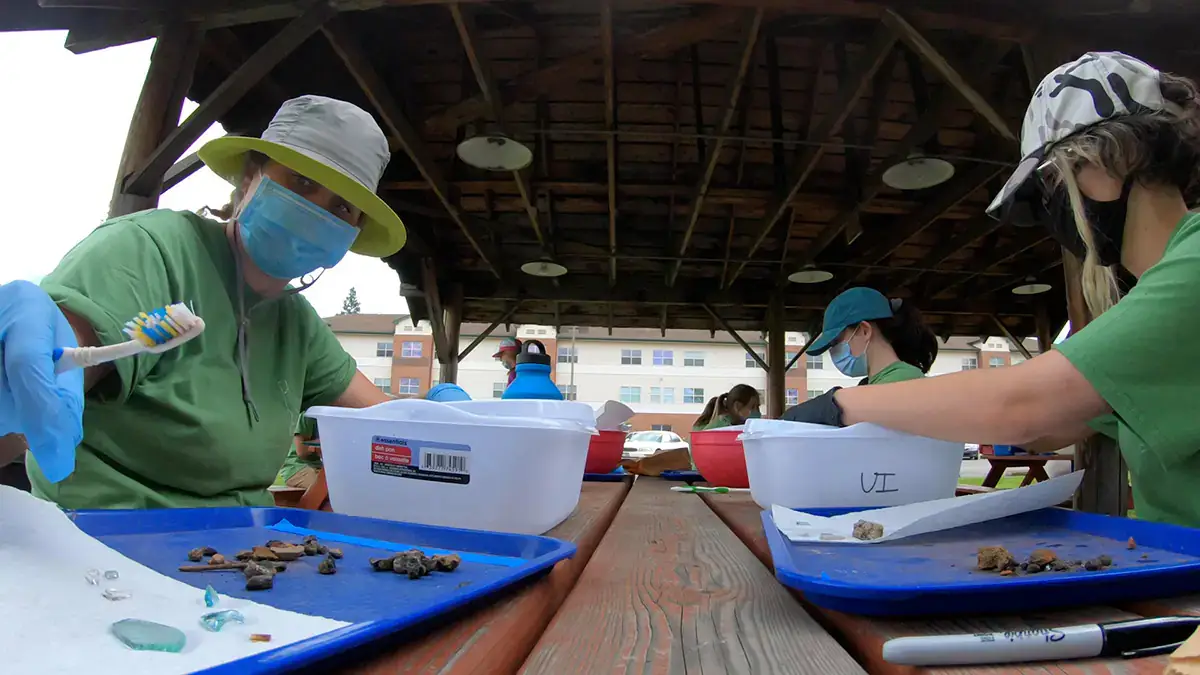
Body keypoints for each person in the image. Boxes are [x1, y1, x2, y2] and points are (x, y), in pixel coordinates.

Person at [817, 52, 1200, 528]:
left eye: (1048, 188)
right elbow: (1052, 429)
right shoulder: (1154, 300)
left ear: (1113, 156)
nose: (1049, 216)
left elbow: (1025, 409)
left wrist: (838, 405)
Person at [2, 94, 409, 509]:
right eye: (302, 182)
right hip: (105, 550)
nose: (314, 211)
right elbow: (54, 363)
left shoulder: (297, 324)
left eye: (341, 207)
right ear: (251, 178)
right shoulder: (148, 252)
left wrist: (455, 420)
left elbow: (391, 422)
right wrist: (25, 381)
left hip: (243, 554)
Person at [781, 287, 938, 424]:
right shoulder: (873, 384)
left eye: (836, 342)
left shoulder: (903, 380)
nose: (833, 353)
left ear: (864, 331)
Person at [276, 413, 322, 490]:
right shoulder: (308, 414)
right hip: (298, 466)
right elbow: (301, 452)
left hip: (322, 468)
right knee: (328, 489)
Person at [693, 384, 761, 431]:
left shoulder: (733, 425)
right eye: (752, 407)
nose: (758, 412)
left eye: (758, 407)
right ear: (737, 407)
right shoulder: (721, 427)